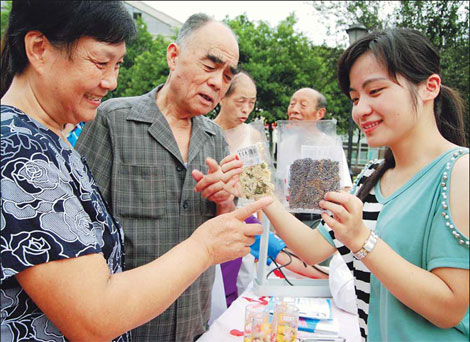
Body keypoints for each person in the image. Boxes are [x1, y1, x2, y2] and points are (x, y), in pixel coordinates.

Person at [0, 2, 272, 342]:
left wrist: (223, 202)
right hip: (133, 322)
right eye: (100, 63)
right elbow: (92, 315)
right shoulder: (26, 148)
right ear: (39, 49)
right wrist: (203, 247)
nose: (111, 81)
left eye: (117, 65)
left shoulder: (213, 137)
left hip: (188, 319)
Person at [259, 28, 469, 341]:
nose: (360, 110)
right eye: (355, 98)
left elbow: (449, 308)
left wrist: (360, 238)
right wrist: (259, 191)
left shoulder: (459, 171)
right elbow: (315, 249)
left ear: (430, 87)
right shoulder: (371, 176)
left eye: (375, 91)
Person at [75, 13, 248, 342]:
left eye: (227, 76)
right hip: (125, 326)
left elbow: (225, 232)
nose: (217, 82)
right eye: (209, 66)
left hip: (193, 325)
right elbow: (80, 227)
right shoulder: (114, 120)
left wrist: (226, 201)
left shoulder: (214, 138)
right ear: (173, 56)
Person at [213, 72, 329, 311]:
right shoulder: (205, 132)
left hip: (249, 222)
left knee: (244, 285)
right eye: (240, 101)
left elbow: (263, 189)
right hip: (214, 222)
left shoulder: (252, 135)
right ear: (223, 97)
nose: (246, 109)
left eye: (252, 103)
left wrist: (267, 235)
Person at [281, 87, 353, 228]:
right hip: (289, 221)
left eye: (303, 105)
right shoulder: (285, 144)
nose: (294, 110)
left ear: (320, 113)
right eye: (292, 103)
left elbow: (345, 188)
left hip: (320, 222)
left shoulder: (330, 145)